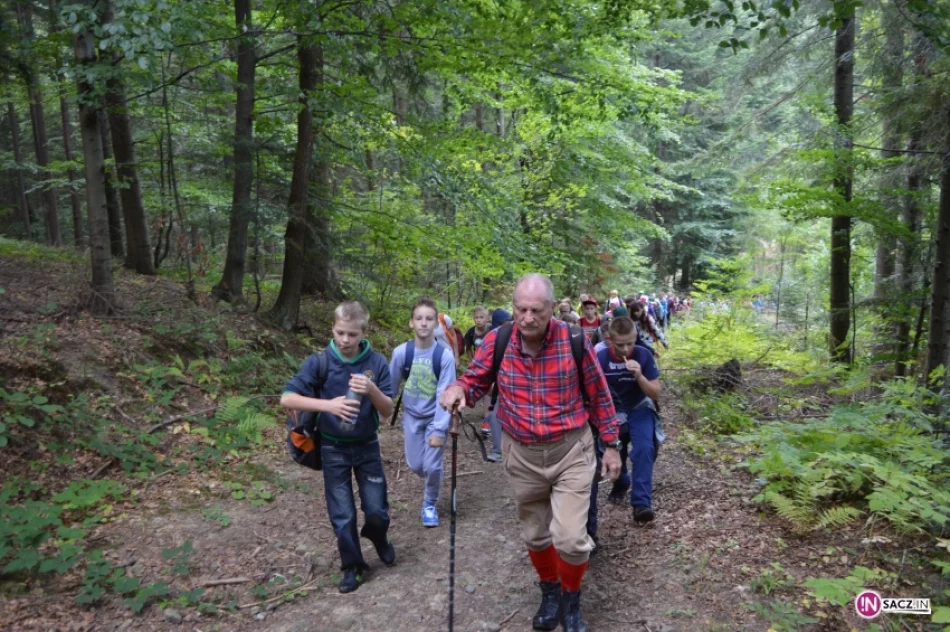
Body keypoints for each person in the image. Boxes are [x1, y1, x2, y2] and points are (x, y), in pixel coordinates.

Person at [440, 274, 622, 632]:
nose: (526, 318)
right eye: (520, 309)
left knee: (570, 537)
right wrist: (459, 389)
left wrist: (612, 445)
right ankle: (549, 591)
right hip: (521, 452)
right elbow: (475, 380)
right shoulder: (499, 339)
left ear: (551, 309)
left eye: (535, 310)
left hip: (571, 448)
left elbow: (600, 395)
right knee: (536, 534)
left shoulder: (575, 341)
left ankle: (571, 600)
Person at [280, 301, 395, 593]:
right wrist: (327, 405)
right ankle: (352, 566)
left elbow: (388, 410)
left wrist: (372, 390)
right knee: (342, 513)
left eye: (352, 335)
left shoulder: (376, 362)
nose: (345, 340)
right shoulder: (320, 362)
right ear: (332, 328)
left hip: (367, 445)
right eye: (340, 332)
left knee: (377, 509)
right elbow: (287, 398)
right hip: (332, 448)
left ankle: (379, 536)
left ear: (363, 333)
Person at [389, 297, 457, 528]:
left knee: (431, 466)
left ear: (436, 324)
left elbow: (445, 394)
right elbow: (391, 386)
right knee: (416, 465)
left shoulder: (444, 356)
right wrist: (381, 411)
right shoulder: (401, 353)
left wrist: (440, 429)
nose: (424, 323)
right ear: (411, 323)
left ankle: (429, 503)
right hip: (411, 417)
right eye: (419, 318)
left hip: (435, 418)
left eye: (429, 319)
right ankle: (434, 479)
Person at [596, 317, 662, 523]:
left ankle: (641, 504)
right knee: (618, 449)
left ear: (635, 338)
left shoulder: (644, 355)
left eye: (630, 343)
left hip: (639, 407)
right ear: (609, 340)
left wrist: (640, 376)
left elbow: (655, 393)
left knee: (644, 448)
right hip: (613, 411)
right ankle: (622, 479)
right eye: (620, 344)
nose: (625, 349)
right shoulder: (600, 358)